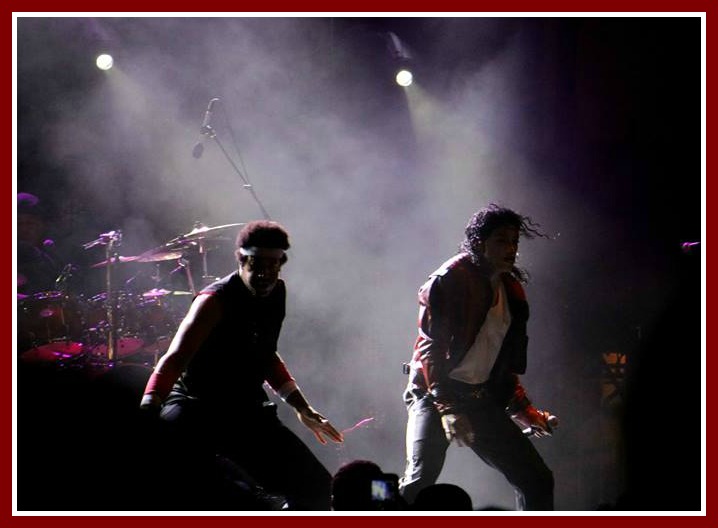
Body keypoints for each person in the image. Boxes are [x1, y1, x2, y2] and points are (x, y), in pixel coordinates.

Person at [139, 220, 344, 510]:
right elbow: (175, 359)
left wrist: (302, 407)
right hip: (197, 406)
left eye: (272, 265)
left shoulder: (277, 293)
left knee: (316, 488)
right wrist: (149, 408)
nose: (264, 273)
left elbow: (266, 355)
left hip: (244, 410)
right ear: (242, 260)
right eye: (256, 264)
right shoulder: (214, 300)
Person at [399, 204, 556, 511]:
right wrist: (447, 408)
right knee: (418, 482)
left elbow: (501, 361)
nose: (510, 249)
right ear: (480, 242)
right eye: (501, 240)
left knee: (537, 479)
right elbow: (431, 349)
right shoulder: (450, 279)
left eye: (514, 241)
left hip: (479, 399)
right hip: (434, 394)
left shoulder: (512, 290)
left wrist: (525, 411)